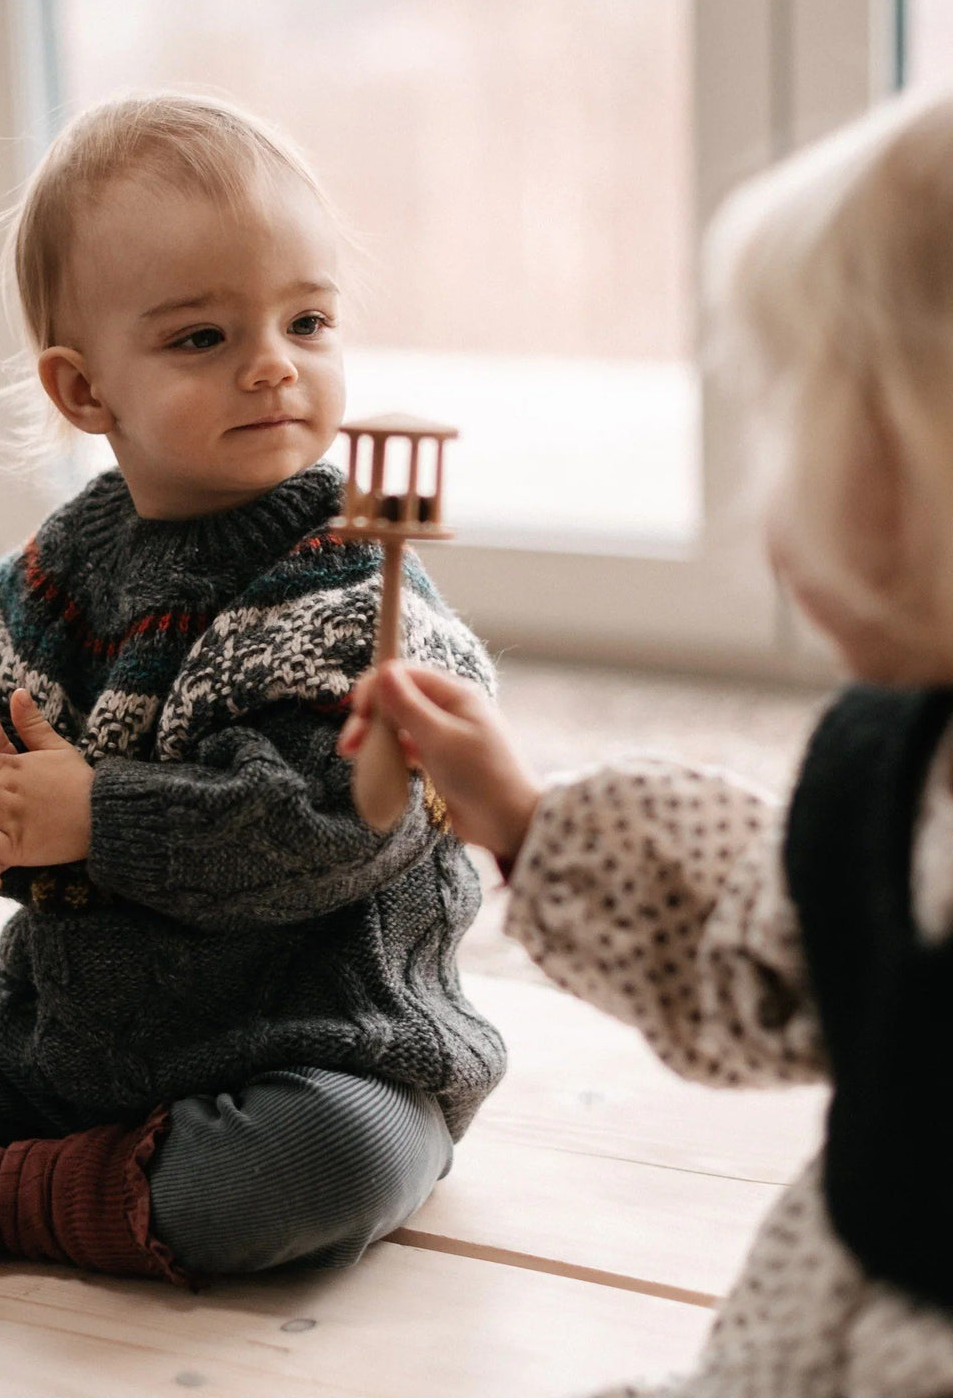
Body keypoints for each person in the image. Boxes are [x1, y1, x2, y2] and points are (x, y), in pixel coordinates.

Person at [0, 93, 505, 1294]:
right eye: (202, 338)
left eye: (307, 319)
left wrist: (93, 814)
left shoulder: (359, 591)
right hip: (71, 1038)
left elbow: (324, 829)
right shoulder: (53, 578)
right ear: (82, 390)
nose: (274, 362)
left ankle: (2, 1196)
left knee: (335, 1164)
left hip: (320, 1048)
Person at [339, 91, 953, 1396]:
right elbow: (768, 955)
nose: (763, 477)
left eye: (795, 418)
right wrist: (528, 819)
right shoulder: (894, 766)